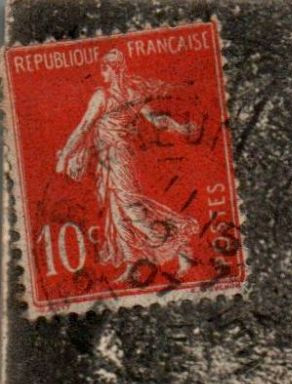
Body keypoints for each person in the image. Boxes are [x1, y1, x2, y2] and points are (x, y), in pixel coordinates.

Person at [55, 49, 200, 280]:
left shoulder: (102, 96)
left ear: (114, 69)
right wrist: (180, 128)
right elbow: (158, 121)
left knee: (132, 210)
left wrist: (64, 157)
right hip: (110, 159)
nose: (102, 74)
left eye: (105, 69)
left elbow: (84, 127)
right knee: (116, 212)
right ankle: (132, 262)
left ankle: (182, 249)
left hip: (116, 158)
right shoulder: (131, 93)